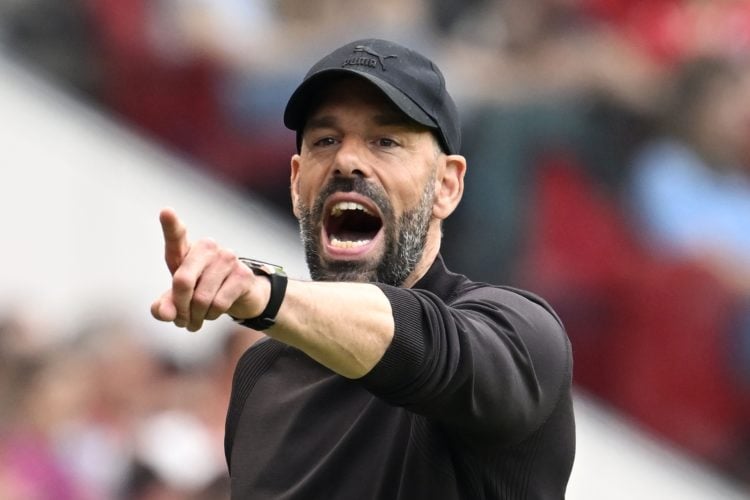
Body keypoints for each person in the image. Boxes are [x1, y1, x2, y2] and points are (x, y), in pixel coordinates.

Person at [151, 38, 575, 499]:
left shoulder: (522, 336)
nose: (347, 161)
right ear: (296, 183)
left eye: (385, 141)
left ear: (447, 186)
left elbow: (429, 346)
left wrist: (264, 292)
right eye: (326, 140)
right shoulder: (262, 374)